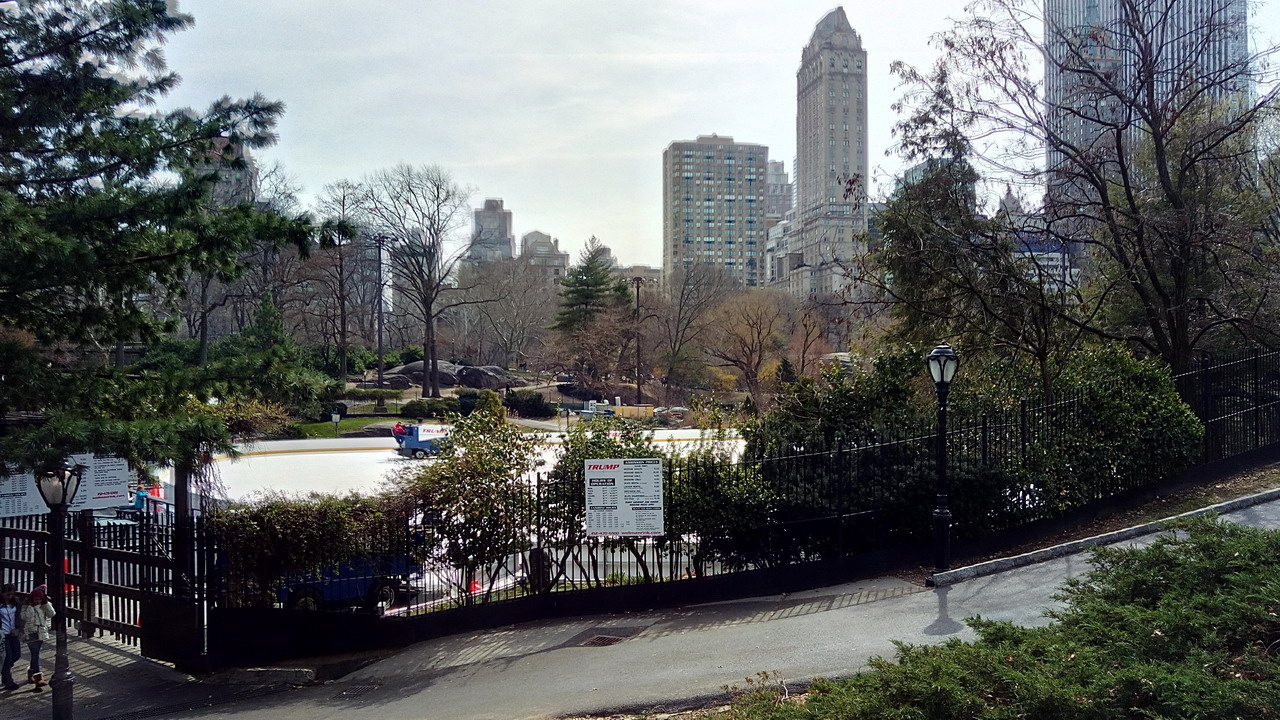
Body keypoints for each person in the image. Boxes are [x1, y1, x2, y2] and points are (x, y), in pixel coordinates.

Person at [20, 585, 54, 691]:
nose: (37, 601)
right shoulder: (26, 606)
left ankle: (31, 674)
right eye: (36, 599)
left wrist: (46, 604)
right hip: (30, 633)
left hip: (40, 632)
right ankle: (38, 678)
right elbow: (25, 617)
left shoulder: (43, 606)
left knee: (35, 654)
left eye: (40, 599)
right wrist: (30, 606)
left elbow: (51, 614)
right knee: (35, 654)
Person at [0, 583, 20, 690]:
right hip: (3, 634)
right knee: (8, 656)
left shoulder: (15, 602)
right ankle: (8, 681)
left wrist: (18, 628)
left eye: (12, 594)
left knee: (16, 654)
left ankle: (4, 670)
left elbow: (19, 616)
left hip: (13, 633)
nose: (10, 596)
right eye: (7, 594)